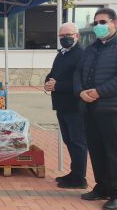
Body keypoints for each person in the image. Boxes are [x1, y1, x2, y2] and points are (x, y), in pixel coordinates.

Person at [73, 8, 117, 210]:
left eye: (103, 22)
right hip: (91, 108)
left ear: (114, 23)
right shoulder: (91, 48)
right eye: (96, 23)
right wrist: (80, 92)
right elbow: (78, 72)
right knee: (96, 149)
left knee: (114, 151)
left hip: (115, 109)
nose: (99, 26)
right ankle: (102, 187)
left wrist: (99, 92)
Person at [44, 22, 87, 189]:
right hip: (61, 105)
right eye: (61, 36)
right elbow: (53, 73)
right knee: (69, 140)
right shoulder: (62, 54)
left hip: (75, 106)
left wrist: (57, 85)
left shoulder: (81, 55)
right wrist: (47, 82)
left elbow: (80, 82)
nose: (64, 38)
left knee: (78, 141)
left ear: (77, 36)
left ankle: (80, 178)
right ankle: (74, 173)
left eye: (68, 35)